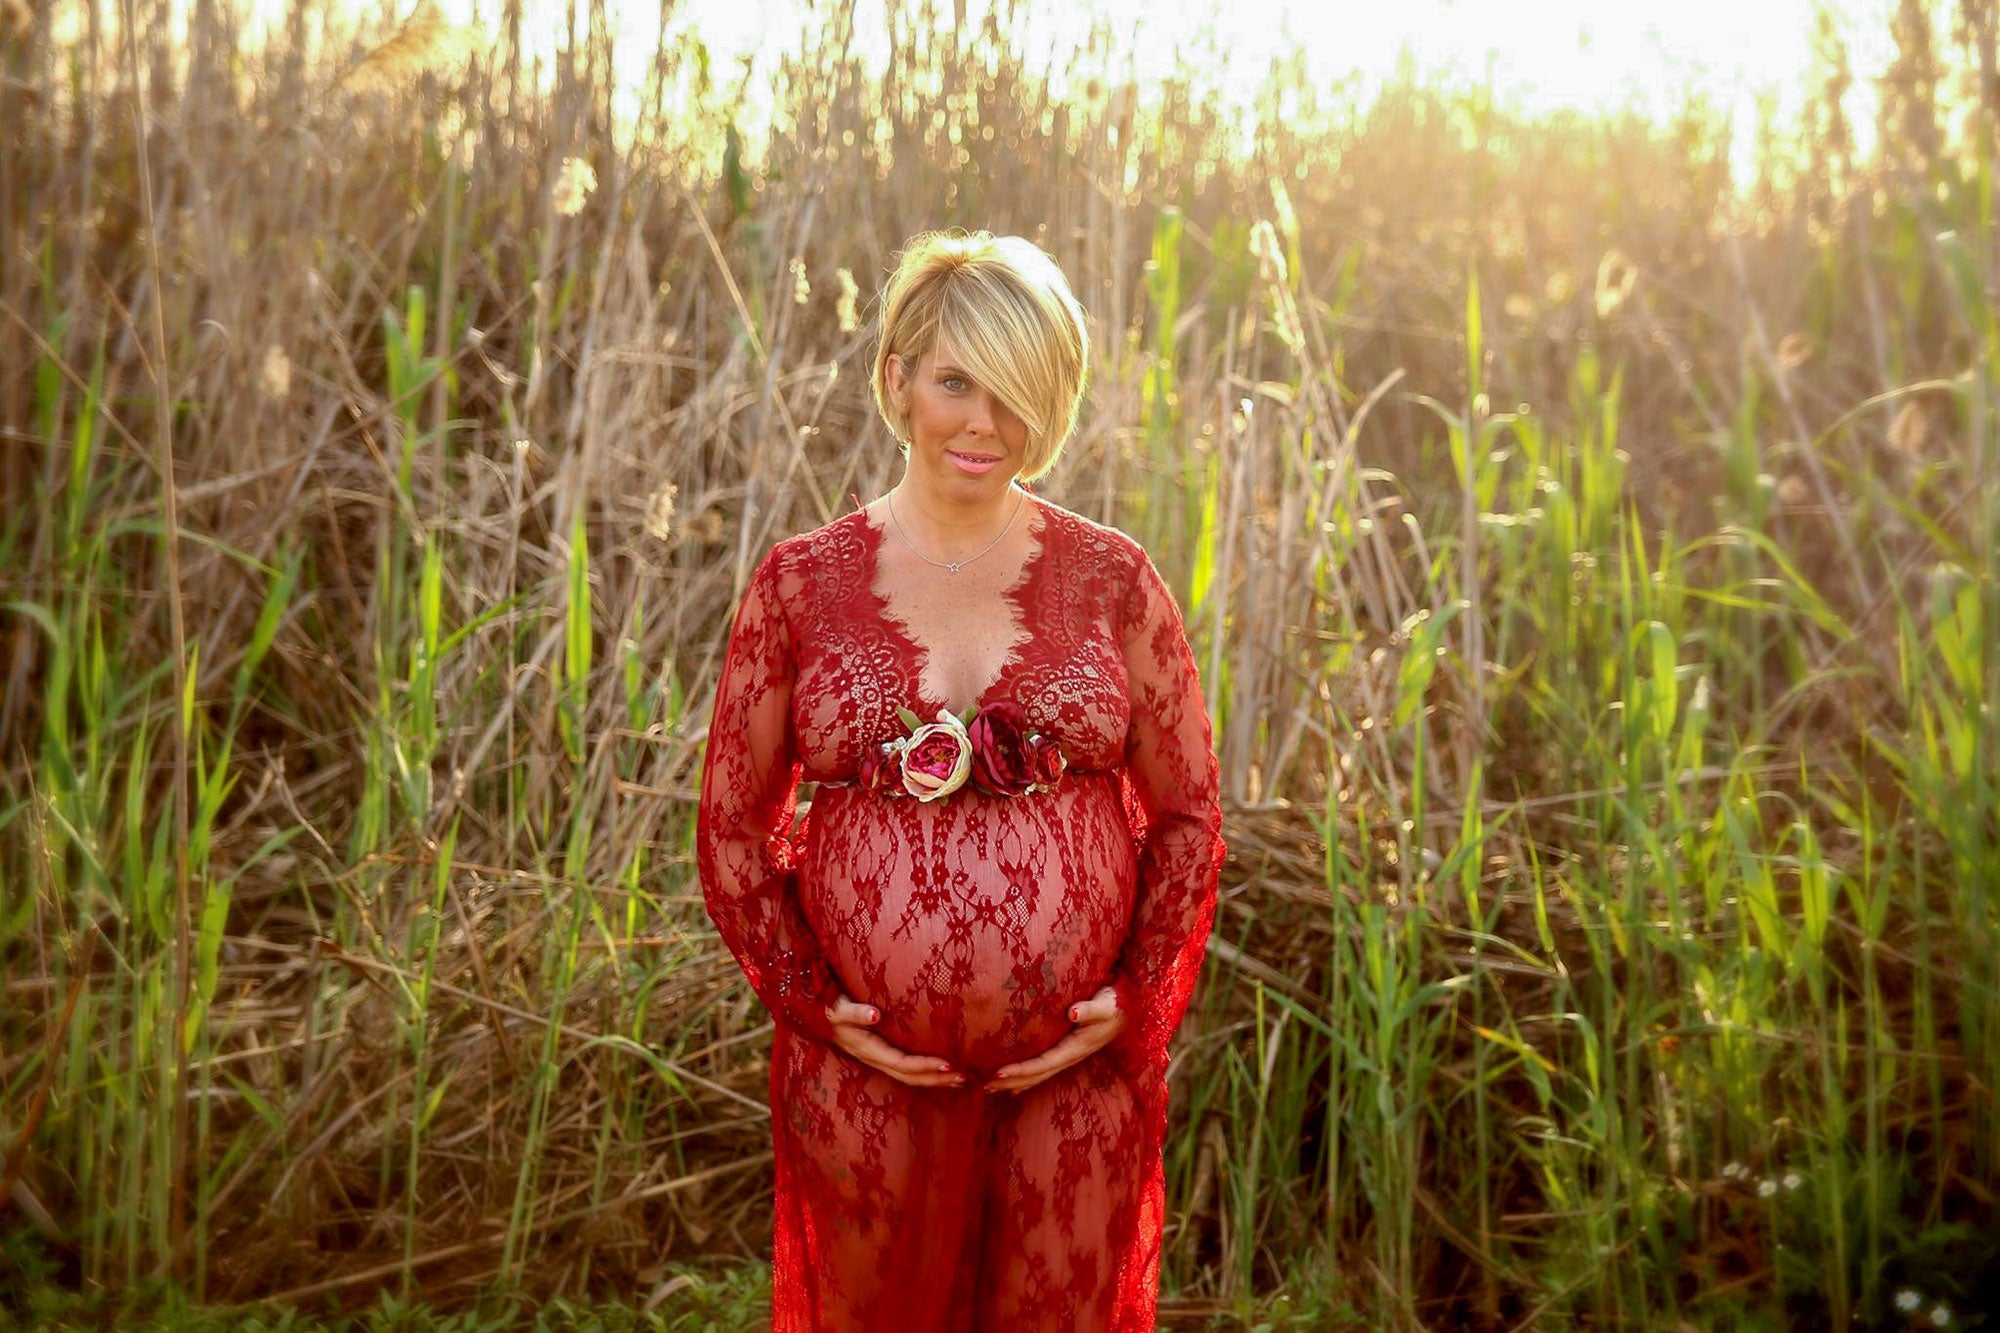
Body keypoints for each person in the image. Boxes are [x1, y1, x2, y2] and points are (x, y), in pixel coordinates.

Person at [696, 229, 1226, 1331]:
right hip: (867, 1087)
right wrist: (812, 1005)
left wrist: (1130, 1000)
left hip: (1068, 1086)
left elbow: (1186, 817)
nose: (985, 422)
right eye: (954, 382)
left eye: (1018, 392)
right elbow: (732, 826)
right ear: (896, 380)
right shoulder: (799, 585)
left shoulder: (1113, 580)